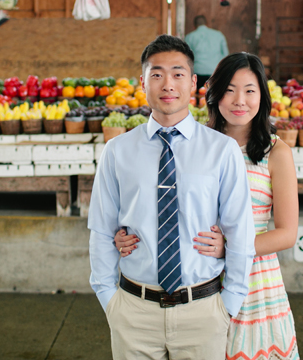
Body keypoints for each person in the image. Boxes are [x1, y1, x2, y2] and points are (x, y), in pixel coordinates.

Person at [116, 52, 300, 360]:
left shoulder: (275, 152)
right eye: (229, 89)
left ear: (262, 96)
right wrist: (125, 232)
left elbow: (287, 233)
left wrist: (231, 248)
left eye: (250, 90)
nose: (239, 100)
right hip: (195, 276)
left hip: (254, 280)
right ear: (213, 93)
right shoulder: (194, 141)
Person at [88, 35, 256, 360]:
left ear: (193, 83)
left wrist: (229, 302)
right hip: (134, 311)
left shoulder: (222, 151)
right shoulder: (117, 151)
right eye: (157, 74)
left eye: (178, 74)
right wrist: (109, 299)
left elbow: (240, 231)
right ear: (142, 82)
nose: (168, 84)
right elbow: (101, 229)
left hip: (203, 311)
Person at [184, 15, 229, 87]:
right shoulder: (219, 35)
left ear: (194, 26)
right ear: (207, 24)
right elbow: (226, 55)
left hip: (198, 72)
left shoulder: (189, 37)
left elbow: (186, 57)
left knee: (198, 96)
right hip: (215, 72)